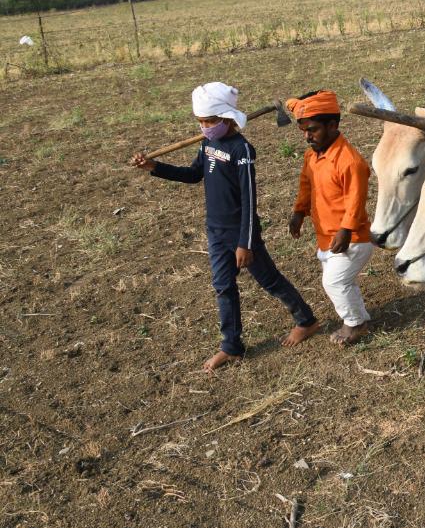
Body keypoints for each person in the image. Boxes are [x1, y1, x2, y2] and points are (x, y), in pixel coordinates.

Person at [130, 82, 319, 372]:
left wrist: (245, 243)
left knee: (268, 280)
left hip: (242, 232)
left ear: (227, 118)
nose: (205, 127)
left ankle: (306, 320)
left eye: (210, 121)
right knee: (223, 286)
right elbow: (194, 175)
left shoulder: (241, 149)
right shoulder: (207, 144)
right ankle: (231, 346)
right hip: (215, 230)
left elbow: (249, 198)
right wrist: (155, 167)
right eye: (201, 122)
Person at [286, 90, 375, 346]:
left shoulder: (349, 162)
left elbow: (356, 200)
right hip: (327, 237)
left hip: (353, 237)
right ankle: (360, 317)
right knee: (341, 282)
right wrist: (298, 212)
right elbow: (306, 184)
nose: (307, 137)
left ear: (333, 125)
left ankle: (356, 324)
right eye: (304, 131)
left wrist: (346, 230)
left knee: (334, 282)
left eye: (312, 130)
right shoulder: (312, 155)